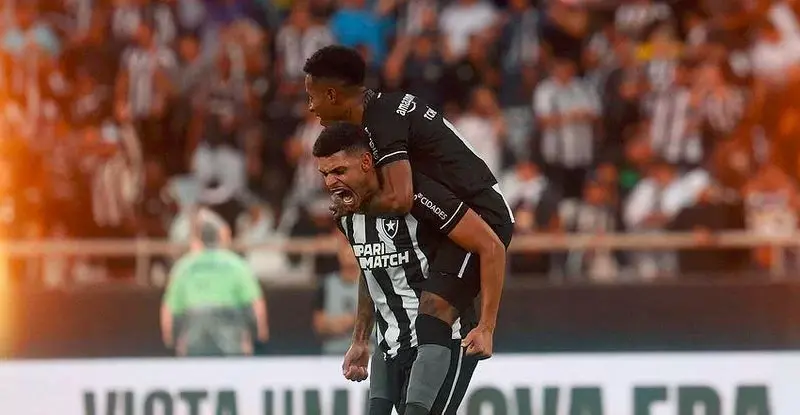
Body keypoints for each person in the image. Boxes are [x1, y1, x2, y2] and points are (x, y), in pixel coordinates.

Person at [305, 45, 514, 415]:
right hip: (446, 223)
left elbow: (401, 198)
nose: (310, 107)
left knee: (434, 311)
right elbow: (373, 265)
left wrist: (487, 327)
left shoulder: (384, 130)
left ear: (333, 94)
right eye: (326, 174)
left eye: (312, 96)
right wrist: (361, 337)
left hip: (483, 216)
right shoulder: (381, 118)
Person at [160, 209, 269, 356]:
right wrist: (259, 334)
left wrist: (171, 339)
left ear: (198, 239)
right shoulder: (236, 264)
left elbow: (170, 309)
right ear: (220, 237)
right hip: (230, 335)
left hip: (195, 336)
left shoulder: (183, 267)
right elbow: (255, 305)